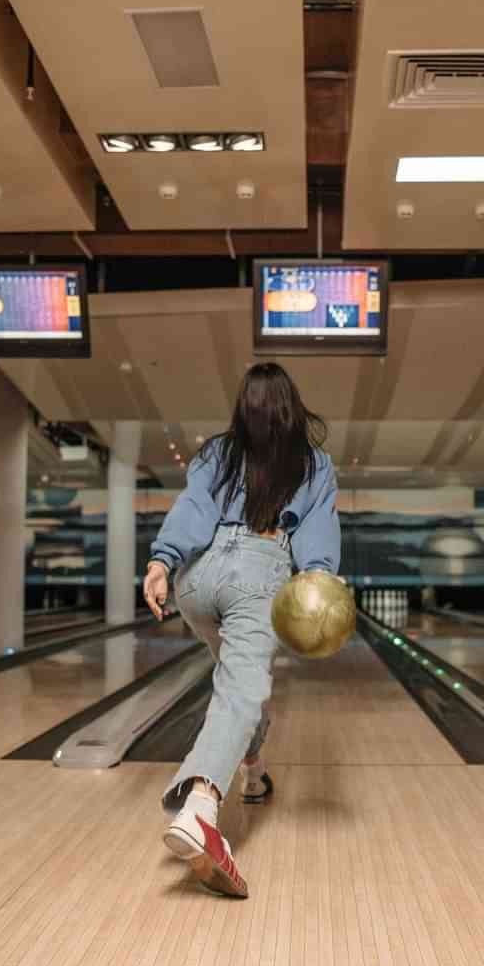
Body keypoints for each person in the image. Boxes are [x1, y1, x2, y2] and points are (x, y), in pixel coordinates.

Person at [143, 362, 340, 898]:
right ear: (291, 407)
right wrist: (319, 582)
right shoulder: (313, 462)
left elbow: (194, 507)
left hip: (197, 577)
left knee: (238, 686)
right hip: (258, 572)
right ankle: (202, 806)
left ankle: (252, 769)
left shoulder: (217, 452)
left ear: (244, 409)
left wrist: (161, 562)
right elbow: (317, 537)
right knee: (242, 689)